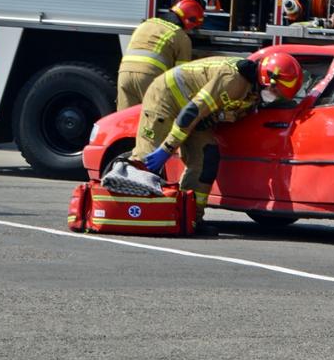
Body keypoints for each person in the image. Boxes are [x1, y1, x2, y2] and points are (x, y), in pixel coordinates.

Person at [122, 53, 302, 229]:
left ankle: (189, 217)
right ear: (267, 78)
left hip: (195, 115)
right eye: (276, 92)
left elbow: (224, 111)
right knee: (145, 158)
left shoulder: (254, 91)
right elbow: (192, 112)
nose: (275, 98)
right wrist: (167, 149)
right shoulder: (232, 79)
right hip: (167, 98)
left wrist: (219, 116)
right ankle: (127, 214)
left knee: (207, 156)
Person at [116, 0, 205, 110]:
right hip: (149, 76)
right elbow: (181, 75)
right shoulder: (181, 37)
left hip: (124, 74)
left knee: (125, 118)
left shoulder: (145, 24)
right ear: (190, 21)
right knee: (153, 119)